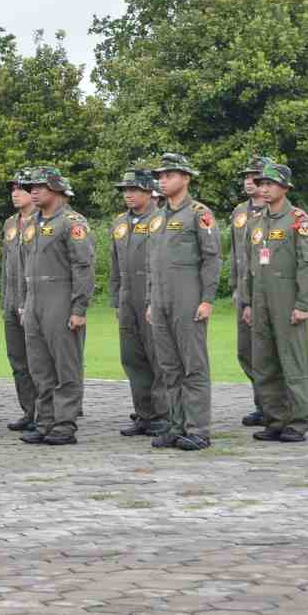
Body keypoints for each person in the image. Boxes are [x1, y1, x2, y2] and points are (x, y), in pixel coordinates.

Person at [240, 160, 308, 443]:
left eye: (270, 183)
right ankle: (274, 419)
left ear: (284, 187)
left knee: (293, 361)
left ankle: (297, 422)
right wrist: (248, 302)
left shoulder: (298, 220)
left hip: (287, 300)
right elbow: (249, 266)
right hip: (260, 301)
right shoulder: (256, 222)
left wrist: (302, 304)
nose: (264, 188)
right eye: (261, 183)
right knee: (264, 362)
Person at [147, 153, 220, 451]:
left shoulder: (198, 213)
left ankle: (198, 429)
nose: (163, 180)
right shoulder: (158, 216)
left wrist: (207, 299)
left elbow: (212, 258)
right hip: (161, 299)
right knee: (169, 366)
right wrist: (151, 299)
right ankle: (176, 425)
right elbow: (153, 261)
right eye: (161, 176)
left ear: (186, 178)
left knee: (193, 366)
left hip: (188, 297)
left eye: (169, 175)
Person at [18, 168, 94, 446]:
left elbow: (83, 266)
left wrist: (79, 307)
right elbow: (24, 266)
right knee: (40, 366)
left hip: (60, 297)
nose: (33, 191)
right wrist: (24, 303)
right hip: (35, 299)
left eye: (40, 186)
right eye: (31, 187)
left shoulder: (72, 222)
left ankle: (64, 423)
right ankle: (45, 420)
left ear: (58, 190)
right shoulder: (32, 223)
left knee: (66, 365)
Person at [108, 168, 167, 438]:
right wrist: (116, 299)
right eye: (126, 190)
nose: (129, 195)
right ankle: (144, 413)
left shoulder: (162, 218)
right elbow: (115, 265)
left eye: (135, 190)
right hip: (127, 297)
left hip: (152, 295)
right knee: (132, 357)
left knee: (159, 357)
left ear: (149, 192)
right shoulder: (120, 223)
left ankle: (163, 414)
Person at [229, 155, 269, 425]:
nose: (248, 181)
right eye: (246, 176)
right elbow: (235, 254)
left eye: (254, 176)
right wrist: (235, 287)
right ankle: (262, 403)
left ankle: (275, 404)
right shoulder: (240, 212)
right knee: (246, 351)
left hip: (267, 291)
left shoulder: (277, 211)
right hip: (244, 290)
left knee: (267, 351)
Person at [2, 170, 39, 432]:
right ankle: (29, 410)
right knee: (18, 360)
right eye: (13, 188)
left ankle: (46, 412)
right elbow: (7, 264)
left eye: (21, 188)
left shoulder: (43, 221)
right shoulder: (10, 224)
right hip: (11, 300)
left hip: (36, 301)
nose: (15, 193)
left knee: (40, 360)